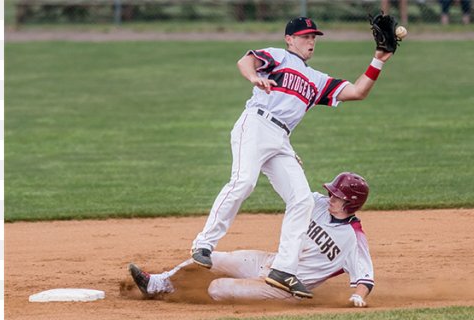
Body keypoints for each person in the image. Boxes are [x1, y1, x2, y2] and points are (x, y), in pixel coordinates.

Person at [188, 17, 394, 299]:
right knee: (244, 182)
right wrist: (254, 77)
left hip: (281, 139)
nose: (311, 41)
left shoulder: (318, 80)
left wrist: (379, 59)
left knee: (302, 200)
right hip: (256, 124)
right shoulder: (278, 56)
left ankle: (282, 270)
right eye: (305, 36)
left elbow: (357, 92)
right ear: (289, 38)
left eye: (314, 37)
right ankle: (203, 244)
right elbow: (244, 61)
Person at [135, 173, 375, 306]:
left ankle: (185, 298)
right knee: (211, 258)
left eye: (337, 196)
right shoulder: (317, 203)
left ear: (351, 203)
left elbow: (365, 276)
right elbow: (292, 188)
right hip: (269, 262)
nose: (331, 197)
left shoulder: (353, 239)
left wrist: (358, 296)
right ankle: (156, 284)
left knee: (217, 288)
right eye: (331, 192)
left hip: (284, 287)